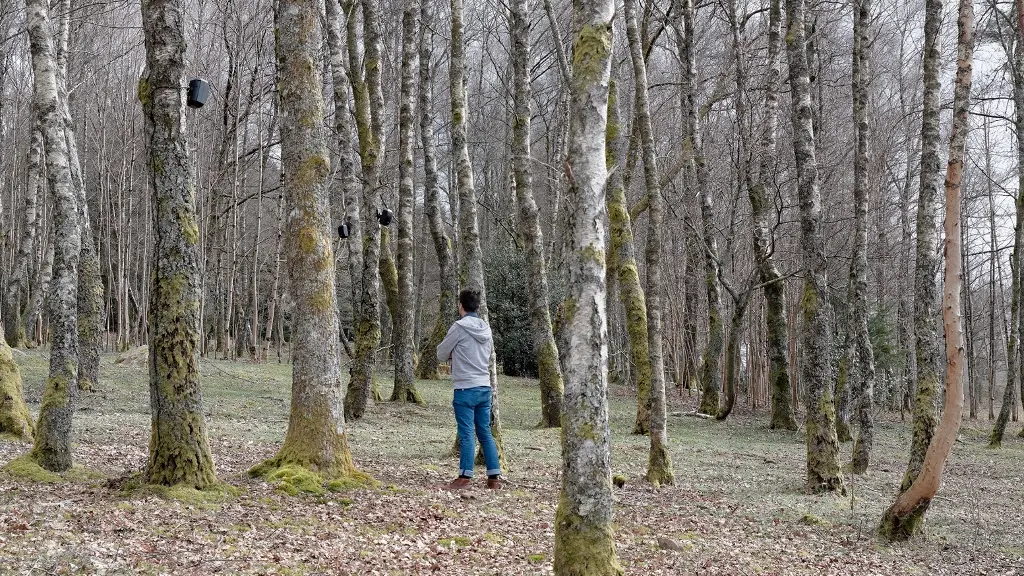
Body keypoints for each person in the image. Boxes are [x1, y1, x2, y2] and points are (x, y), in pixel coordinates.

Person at [436, 288, 503, 489]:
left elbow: (441, 353)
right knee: (484, 432)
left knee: (466, 433)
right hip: (484, 386)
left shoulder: (459, 327)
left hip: (465, 387)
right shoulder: (486, 328)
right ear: (478, 307)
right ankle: (493, 478)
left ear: (460, 306)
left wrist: (453, 354)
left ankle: (464, 477)